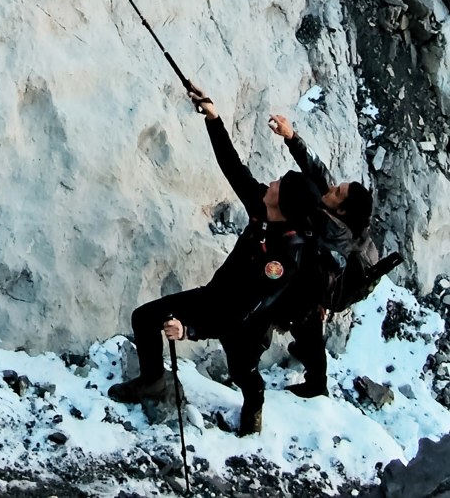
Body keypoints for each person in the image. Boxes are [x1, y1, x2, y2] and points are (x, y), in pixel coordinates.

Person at [108, 89, 325, 435]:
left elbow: (238, 312)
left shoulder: (283, 261)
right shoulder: (266, 208)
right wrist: (214, 119)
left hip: (246, 321)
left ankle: (254, 404)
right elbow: (234, 170)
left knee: (243, 372)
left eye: (278, 184)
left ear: (282, 205)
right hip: (217, 296)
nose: (270, 182)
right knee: (145, 318)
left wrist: (190, 330)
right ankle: (151, 381)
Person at [269, 113, 377, 398]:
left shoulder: (334, 230)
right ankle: (307, 354)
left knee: (305, 320)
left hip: (320, 284)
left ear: (341, 210)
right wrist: (291, 137)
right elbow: (321, 175)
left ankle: (316, 385)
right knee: (306, 327)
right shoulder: (340, 210)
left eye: (338, 192)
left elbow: (314, 195)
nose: (332, 188)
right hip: (320, 273)